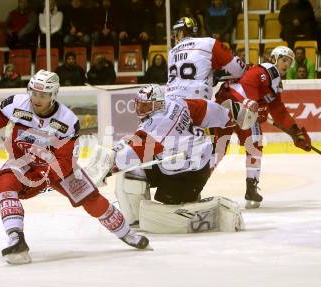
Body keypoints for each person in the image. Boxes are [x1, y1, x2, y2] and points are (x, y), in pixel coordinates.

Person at [0, 69, 150, 264]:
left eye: (43, 95)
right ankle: (16, 238)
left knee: (91, 198)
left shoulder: (68, 120)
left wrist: (40, 179)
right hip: (23, 162)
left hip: (58, 168)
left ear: (53, 95)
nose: (37, 99)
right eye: (34, 93)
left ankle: (127, 233)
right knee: (5, 183)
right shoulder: (14, 104)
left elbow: (64, 162)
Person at [94, 84, 245, 233]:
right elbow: (205, 109)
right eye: (139, 105)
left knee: (169, 212)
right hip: (172, 161)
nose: (140, 110)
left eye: (145, 107)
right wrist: (229, 116)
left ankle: (209, 209)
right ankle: (136, 220)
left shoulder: (159, 123)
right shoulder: (176, 102)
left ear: (158, 105)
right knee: (131, 174)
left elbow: (129, 154)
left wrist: (108, 166)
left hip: (189, 174)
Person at [214, 46, 312, 209]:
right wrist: (255, 105)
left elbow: (279, 110)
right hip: (232, 103)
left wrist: (296, 132)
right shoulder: (265, 70)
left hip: (237, 107)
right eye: (284, 59)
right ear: (274, 59)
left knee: (248, 145)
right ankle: (200, 179)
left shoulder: (274, 81)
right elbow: (248, 83)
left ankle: (250, 187)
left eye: (290, 62)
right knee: (231, 146)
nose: (287, 64)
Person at [167, 17, 246, 101]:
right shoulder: (209, 43)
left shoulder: (172, 52)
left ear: (182, 32)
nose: (174, 37)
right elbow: (239, 70)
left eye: (176, 33)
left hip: (172, 99)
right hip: (197, 101)